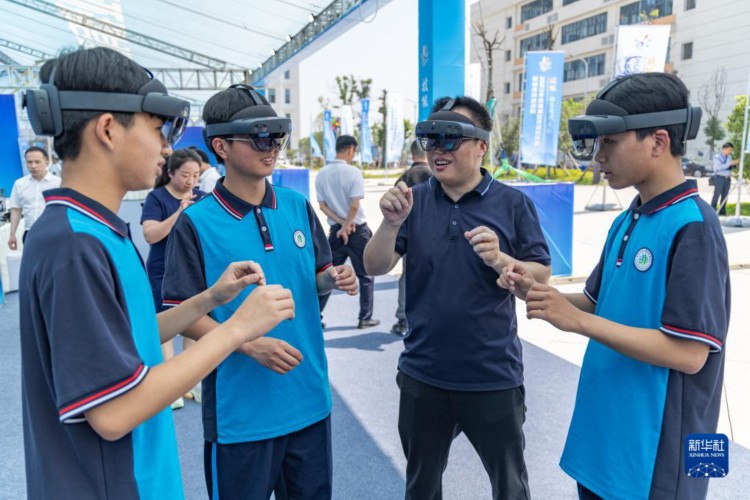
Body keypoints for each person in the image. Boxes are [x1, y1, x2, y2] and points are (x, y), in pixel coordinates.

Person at [18, 47, 294, 500]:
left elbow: (134, 335)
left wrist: (211, 299)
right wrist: (238, 329)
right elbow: (114, 412)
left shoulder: (96, 229)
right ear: (108, 129)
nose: (168, 147)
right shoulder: (73, 244)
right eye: (158, 128)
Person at [502, 73, 730, 499]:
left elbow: (689, 354)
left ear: (658, 142)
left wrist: (577, 323)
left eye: (610, 142)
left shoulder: (694, 226)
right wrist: (534, 292)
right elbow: (595, 304)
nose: (599, 157)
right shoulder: (628, 219)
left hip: (653, 458)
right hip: (603, 444)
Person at [162, 84, 358, 499]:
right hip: (241, 416)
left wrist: (333, 279)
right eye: (259, 137)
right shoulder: (195, 222)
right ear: (221, 146)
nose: (272, 148)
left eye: (277, 135)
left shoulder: (296, 205)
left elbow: (315, 276)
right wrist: (248, 345)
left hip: (309, 399)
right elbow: (184, 315)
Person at [364, 95, 552, 500]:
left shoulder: (513, 203)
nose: (437, 149)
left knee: (510, 487)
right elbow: (374, 266)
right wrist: (389, 224)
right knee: (421, 487)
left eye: (450, 138)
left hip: (492, 376)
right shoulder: (413, 200)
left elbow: (540, 276)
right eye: (431, 138)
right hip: (423, 375)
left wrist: (501, 259)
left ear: (481, 145)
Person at [142, 148, 207, 408]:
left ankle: (190, 382)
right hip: (164, 269)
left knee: (194, 323)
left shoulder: (202, 198)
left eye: (196, 175)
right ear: (170, 173)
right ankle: (171, 389)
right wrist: (179, 212)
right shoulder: (156, 198)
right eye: (185, 175)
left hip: (193, 268)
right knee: (167, 327)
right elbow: (151, 235)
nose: (191, 181)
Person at [316, 135, 379, 329]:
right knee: (365, 275)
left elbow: (322, 206)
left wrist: (342, 225)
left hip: (336, 231)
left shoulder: (322, 173)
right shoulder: (353, 172)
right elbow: (354, 205)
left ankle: (315, 317)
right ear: (351, 149)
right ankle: (364, 317)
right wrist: (347, 225)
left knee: (328, 274)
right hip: (357, 231)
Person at [390, 140, 432, 336]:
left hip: (409, 236)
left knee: (406, 276)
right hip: (435, 234)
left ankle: (403, 319)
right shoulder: (436, 176)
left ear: (412, 154)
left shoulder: (404, 178)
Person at [7, 146, 60, 249]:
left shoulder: (58, 183)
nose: (33, 166)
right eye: (29, 162)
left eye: (37, 162)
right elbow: (16, 210)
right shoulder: (19, 184)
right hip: (30, 233)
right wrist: (12, 234)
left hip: (54, 232)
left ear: (47, 162)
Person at [710, 142, 738, 215]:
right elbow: (718, 167)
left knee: (725, 195)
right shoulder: (717, 157)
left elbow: (728, 167)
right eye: (729, 150)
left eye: (731, 150)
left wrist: (733, 165)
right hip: (719, 178)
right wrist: (729, 163)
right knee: (716, 195)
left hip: (727, 179)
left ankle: (722, 211)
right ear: (724, 149)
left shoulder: (729, 157)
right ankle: (712, 211)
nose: (730, 152)